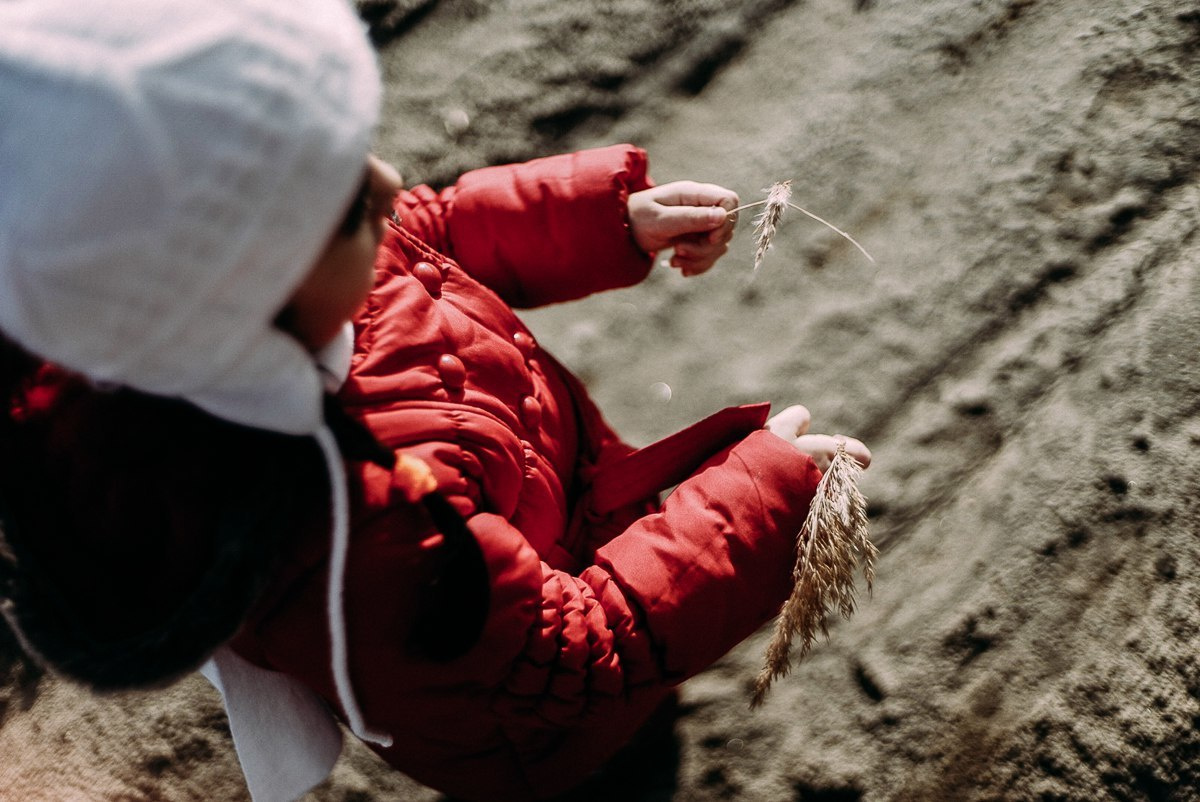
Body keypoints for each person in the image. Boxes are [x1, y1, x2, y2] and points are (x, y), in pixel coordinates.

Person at [0, 0, 871, 800]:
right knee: (614, 746)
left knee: (634, 617)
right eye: (343, 200)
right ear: (251, 301)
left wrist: (610, 220)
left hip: (563, 502)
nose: (383, 181)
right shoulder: (377, 540)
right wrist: (761, 495)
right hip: (530, 715)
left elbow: (429, 231)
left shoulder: (283, 290)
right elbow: (568, 663)